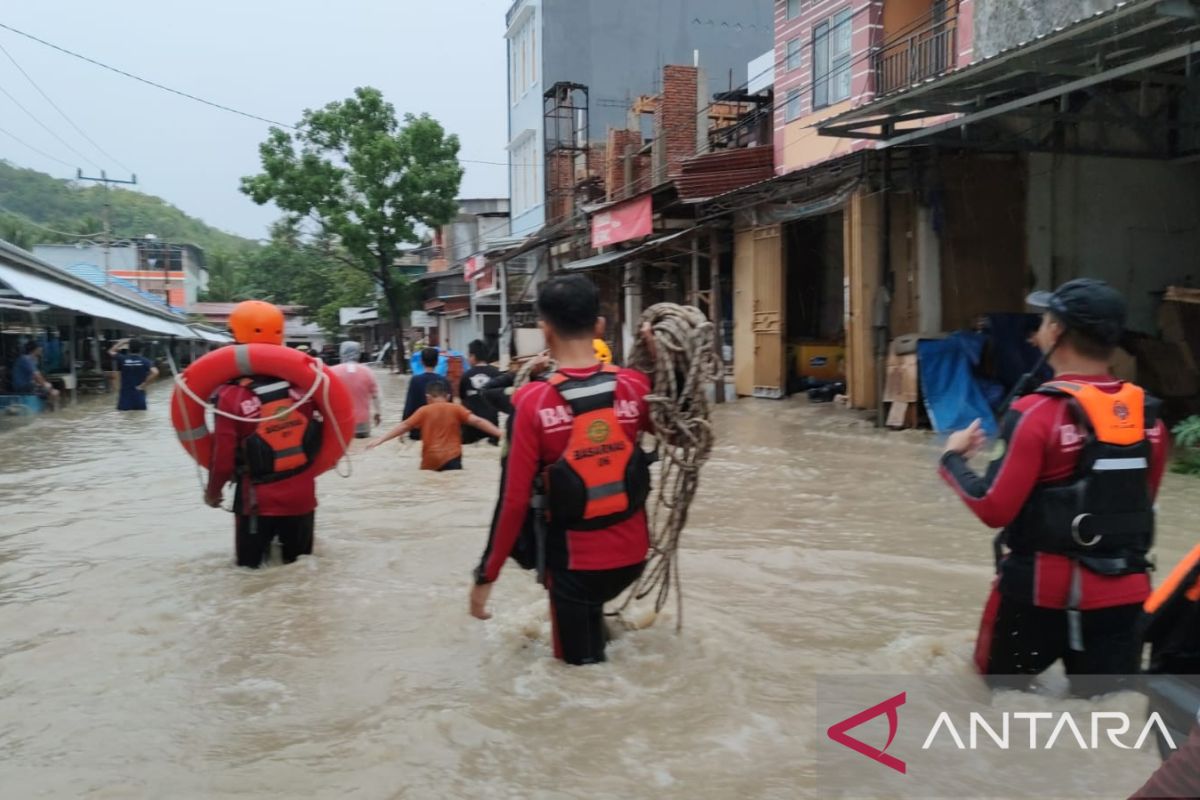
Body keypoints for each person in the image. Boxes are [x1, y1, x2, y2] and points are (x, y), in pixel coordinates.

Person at [939, 278, 1167, 696]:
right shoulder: (1150, 420)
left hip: (1036, 599)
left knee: (990, 709)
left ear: (1057, 333)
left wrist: (952, 459)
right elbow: (1138, 504)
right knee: (1105, 721)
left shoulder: (1036, 413)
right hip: (1124, 600)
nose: (1036, 329)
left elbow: (993, 507)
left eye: (1044, 320)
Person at [470, 275, 654, 666]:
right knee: (598, 634)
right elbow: (685, 432)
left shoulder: (533, 402)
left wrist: (485, 577)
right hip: (633, 557)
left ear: (545, 330)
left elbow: (513, 501)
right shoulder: (636, 386)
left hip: (574, 568)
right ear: (600, 327)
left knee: (578, 676)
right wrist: (655, 356)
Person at [205, 300, 322, 569]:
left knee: (251, 579)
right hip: (302, 499)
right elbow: (326, 435)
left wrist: (213, 493)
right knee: (301, 576)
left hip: (256, 504)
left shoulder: (231, 397)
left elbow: (222, 460)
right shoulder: (305, 389)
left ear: (236, 337)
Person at [368, 379, 501, 471]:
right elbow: (478, 421)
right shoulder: (456, 409)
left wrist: (380, 440)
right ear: (448, 396)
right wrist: (501, 434)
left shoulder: (423, 411)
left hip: (430, 461)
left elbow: (404, 426)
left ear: (428, 397)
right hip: (452, 458)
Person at [330, 340, 381, 439]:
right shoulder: (367, 372)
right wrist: (378, 413)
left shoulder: (332, 372)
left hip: (340, 422)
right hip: (363, 424)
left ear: (341, 352)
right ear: (358, 353)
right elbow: (376, 396)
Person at [460, 339, 501, 446]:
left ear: (473, 356)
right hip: (493, 427)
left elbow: (462, 398)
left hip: (471, 428)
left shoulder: (466, 376)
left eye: (469, 356)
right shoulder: (496, 373)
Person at [402, 347, 443, 441]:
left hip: (418, 431)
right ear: (437, 362)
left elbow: (409, 405)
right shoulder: (444, 381)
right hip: (438, 431)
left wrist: (403, 428)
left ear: (421, 362)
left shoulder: (415, 380)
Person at [108, 338, 159, 411]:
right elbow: (155, 372)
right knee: (140, 419)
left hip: (125, 398)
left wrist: (122, 342)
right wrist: (144, 384)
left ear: (129, 349)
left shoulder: (123, 359)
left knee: (125, 420)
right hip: (139, 397)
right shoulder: (145, 361)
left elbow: (111, 351)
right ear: (141, 349)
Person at [11, 341, 59, 410]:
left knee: (48, 389)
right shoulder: (26, 359)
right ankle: (52, 411)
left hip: (26, 385)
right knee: (53, 392)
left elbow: (36, 376)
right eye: (40, 348)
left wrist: (46, 385)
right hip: (22, 387)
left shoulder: (29, 359)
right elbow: (37, 376)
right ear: (35, 349)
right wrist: (47, 386)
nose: (41, 349)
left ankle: (48, 407)